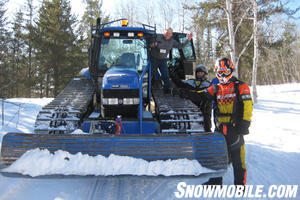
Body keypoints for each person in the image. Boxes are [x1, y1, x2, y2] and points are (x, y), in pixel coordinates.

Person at [189, 58, 253, 185]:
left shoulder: (240, 86)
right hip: (219, 128)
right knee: (217, 155)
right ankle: (215, 181)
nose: (222, 75)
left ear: (231, 70)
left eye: (225, 71)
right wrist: (185, 93)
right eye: (219, 72)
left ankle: (240, 184)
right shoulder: (216, 87)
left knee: (238, 158)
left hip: (234, 128)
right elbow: (201, 95)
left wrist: (245, 123)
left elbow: (248, 105)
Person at [150, 28, 193, 94]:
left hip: (162, 60)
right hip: (154, 58)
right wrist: (153, 44)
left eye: (169, 33)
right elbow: (150, 43)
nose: (167, 34)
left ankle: (167, 90)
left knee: (165, 75)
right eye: (167, 32)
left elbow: (180, 46)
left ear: (171, 35)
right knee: (151, 74)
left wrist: (188, 40)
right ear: (164, 32)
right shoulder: (157, 36)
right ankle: (148, 90)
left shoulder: (172, 41)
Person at [171, 64, 212, 132]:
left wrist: (187, 93)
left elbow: (200, 95)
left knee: (206, 124)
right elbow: (181, 83)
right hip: (191, 108)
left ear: (205, 74)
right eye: (198, 73)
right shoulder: (191, 82)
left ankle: (207, 133)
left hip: (204, 109)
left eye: (201, 73)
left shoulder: (208, 85)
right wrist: (174, 76)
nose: (199, 74)